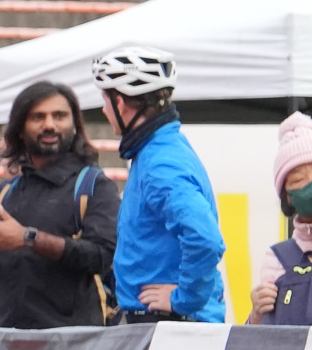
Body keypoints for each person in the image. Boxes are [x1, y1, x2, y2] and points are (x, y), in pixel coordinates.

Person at [0, 80, 119, 328]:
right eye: (38, 117)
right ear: (20, 128)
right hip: (9, 339)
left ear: (74, 126)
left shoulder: (94, 185)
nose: (49, 125)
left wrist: (29, 238)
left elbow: (101, 256)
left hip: (76, 341)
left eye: (59, 116)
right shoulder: (7, 192)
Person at [91, 47, 226, 323]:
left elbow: (205, 239)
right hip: (164, 321)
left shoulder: (160, 163)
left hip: (170, 324)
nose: (104, 109)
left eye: (105, 99)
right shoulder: (157, 151)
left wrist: (183, 299)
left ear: (120, 103)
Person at [251, 111, 312, 325]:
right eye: (298, 180)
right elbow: (264, 336)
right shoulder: (277, 258)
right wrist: (256, 316)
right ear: (287, 197)